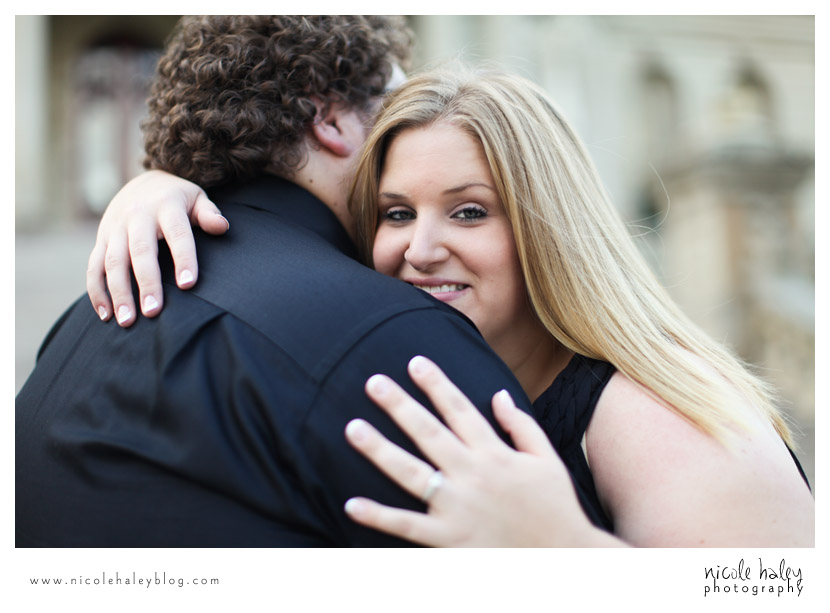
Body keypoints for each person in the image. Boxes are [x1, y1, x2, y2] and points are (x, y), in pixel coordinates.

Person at [87, 66, 814, 546]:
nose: (421, 248)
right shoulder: (421, 372)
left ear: (549, 228)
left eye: (469, 212)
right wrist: (161, 190)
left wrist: (570, 554)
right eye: (396, 213)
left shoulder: (653, 412)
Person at [15, 16, 535, 548]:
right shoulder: (392, 333)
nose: (410, 128)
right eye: (394, 104)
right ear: (330, 119)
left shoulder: (87, 315)